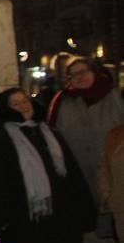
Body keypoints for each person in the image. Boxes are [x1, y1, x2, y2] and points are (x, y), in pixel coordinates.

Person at [0, 87, 93, 243]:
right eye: (16, 104)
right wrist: (1, 218)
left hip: (59, 218)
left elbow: (72, 174)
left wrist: (85, 210)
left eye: (25, 101)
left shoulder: (51, 134)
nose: (23, 107)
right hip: (25, 221)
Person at [48, 58, 124, 207]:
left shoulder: (115, 96)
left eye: (84, 72)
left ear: (94, 72)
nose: (80, 77)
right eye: (73, 74)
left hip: (114, 170)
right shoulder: (63, 102)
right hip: (80, 170)